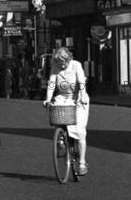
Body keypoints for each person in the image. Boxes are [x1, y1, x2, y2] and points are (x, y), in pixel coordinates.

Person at [43, 47, 90, 176]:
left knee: (80, 131)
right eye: (59, 62)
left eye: (63, 62)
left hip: (77, 98)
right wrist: (48, 99)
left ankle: (81, 162)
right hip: (62, 97)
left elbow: (81, 83)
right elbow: (52, 84)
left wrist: (82, 96)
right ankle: (61, 141)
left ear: (68, 59)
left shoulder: (76, 65)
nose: (61, 65)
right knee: (56, 111)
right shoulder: (55, 67)